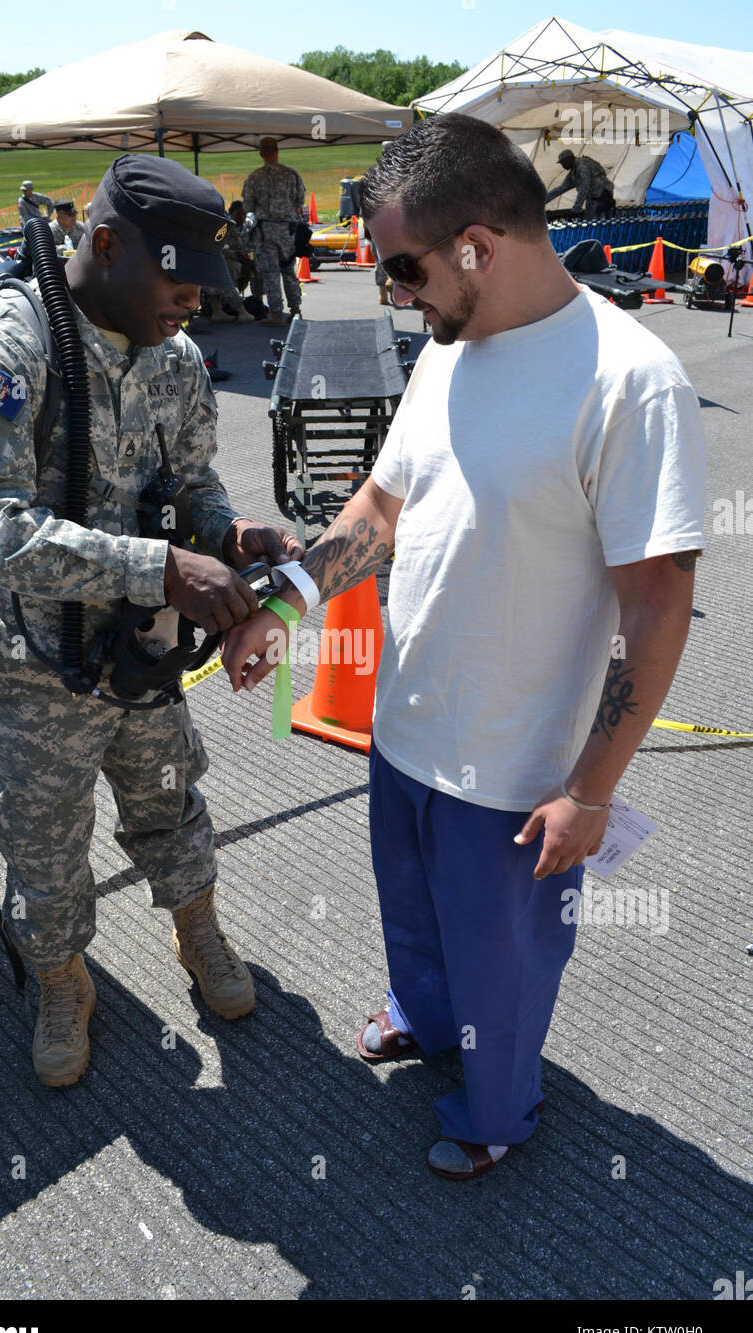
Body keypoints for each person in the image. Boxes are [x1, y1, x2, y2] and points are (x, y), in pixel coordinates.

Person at [221, 113, 705, 1182]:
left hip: (517, 769)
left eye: (403, 267)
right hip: (406, 732)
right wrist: (285, 602)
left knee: (503, 962)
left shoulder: (629, 381)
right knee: (416, 919)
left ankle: (498, 1112)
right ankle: (423, 1017)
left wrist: (590, 788)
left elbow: (657, 604)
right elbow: (381, 508)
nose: (393, 292)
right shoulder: (448, 349)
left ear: (478, 245)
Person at [0, 153, 303, 1088]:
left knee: (169, 799)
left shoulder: (172, 358)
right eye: (178, 282)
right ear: (103, 246)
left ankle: (197, 934)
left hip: (140, 655)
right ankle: (61, 981)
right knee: (41, 838)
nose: (194, 305)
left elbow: (192, 479)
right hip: (27, 663)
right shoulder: (3, 353)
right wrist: (163, 567)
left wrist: (229, 528)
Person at [241, 137, 305, 326]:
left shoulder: (254, 177)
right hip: (287, 229)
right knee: (288, 271)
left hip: (266, 230)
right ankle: (295, 309)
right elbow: (299, 201)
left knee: (271, 273)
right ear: (277, 151)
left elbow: (248, 205)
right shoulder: (291, 174)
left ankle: (276, 313)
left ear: (261, 154)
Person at [545, 150, 615, 217]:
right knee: (589, 219)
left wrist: (577, 206)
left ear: (569, 159)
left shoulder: (582, 167)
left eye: (563, 162)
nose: (562, 165)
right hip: (593, 198)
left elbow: (584, 187)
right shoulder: (573, 172)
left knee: (598, 221)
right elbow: (560, 189)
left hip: (603, 195)